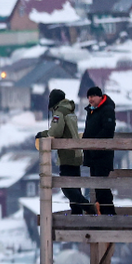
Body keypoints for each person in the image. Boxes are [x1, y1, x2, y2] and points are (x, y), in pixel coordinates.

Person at [35, 89, 91, 214]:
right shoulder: (70, 112)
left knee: (66, 186)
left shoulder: (59, 112)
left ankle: (88, 207)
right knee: (75, 186)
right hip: (76, 153)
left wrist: (42, 134)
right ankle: (77, 213)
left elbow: (55, 132)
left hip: (67, 154)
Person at [83, 86, 116, 215]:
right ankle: (104, 213)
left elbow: (108, 130)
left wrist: (94, 143)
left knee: (102, 186)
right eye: (89, 97)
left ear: (99, 96)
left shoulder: (107, 110)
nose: (90, 99)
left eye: (92, 96)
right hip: (93, 154)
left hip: (102, 154)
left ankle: (109, 214)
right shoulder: (92, 111)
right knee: (98, 186)